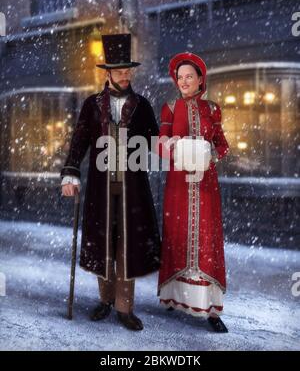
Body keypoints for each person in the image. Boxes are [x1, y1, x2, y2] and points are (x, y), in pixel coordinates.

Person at [61, 33, 160, 331]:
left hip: (133, 190)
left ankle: (124, 307)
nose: (126, 75)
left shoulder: (142, 106)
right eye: (120, 70)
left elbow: (154, 145)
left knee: (126, 247)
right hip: (101, 190)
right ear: (108, 73)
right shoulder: (92, 105)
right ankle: (105, 300)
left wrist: (169, 149)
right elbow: (79, 143)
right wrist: (70, 172)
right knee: (103, 243)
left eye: (128, 70)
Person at [157, 52, 230, 332]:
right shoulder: (170, 108)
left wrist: (210, 150)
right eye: (180, 77)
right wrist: (171, 142)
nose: (184, 81)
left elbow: (222, 144)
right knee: (179, 234)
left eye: (190, 77)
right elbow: (159, 145)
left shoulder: (212, 109)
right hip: (178, 183)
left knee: (206, 238)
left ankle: (210, 309)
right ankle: (177, 299)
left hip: (206, 184)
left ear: (201, 79)